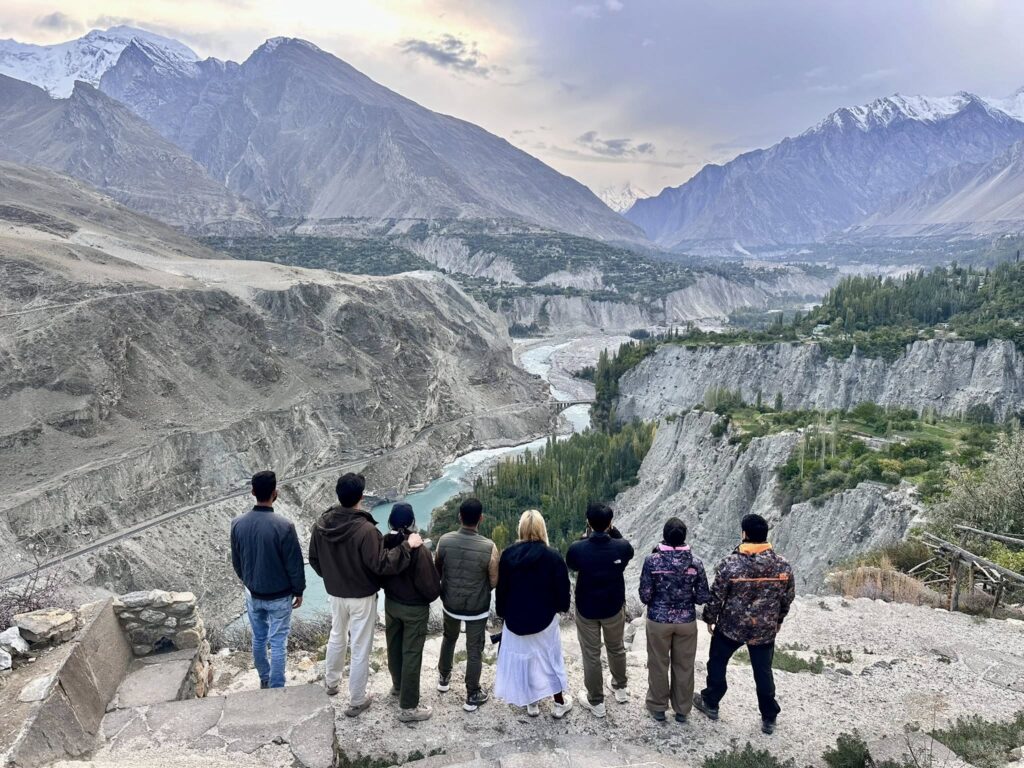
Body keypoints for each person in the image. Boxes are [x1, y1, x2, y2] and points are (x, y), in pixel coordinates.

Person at [308, 472, 423, 717]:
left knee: (337, 635)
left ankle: (331, 683)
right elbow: (382, 565)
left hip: (335, 593)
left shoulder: (321, 525)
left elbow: (314, 560)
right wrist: (406, 546)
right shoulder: (366, 530)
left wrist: (332, 578)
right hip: (361, 596)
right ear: (361, 496)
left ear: (338, 495)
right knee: (360, 646)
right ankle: (357, 699)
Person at [694, 513, 796, 735]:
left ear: (744, 534)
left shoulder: (730, 564)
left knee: (718, 663)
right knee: (763, 671)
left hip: (731, 627)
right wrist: (778, 620)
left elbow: (717, 596)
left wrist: (710, 618)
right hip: (764, 629)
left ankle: (711, 701)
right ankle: (769, 716)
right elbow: (787, 597)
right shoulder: (783, 566)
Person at [230, 470, 305, 690]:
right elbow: (294, 564)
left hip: (253, 593)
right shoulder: (284, 526)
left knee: (259, 638)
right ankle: (277, 685)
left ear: (253, 492)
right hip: (280, 596)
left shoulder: (237, 523)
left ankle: (264, 677)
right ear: (275, 493)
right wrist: (299, 590)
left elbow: (237, 561)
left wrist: (248, 581)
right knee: (278, 642)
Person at [494, 509, 573, 719]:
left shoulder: (508, 555)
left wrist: (503, 614)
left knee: (526, 660)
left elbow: (502, 589)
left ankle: (531, 702)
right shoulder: (553, 556)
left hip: (515, 620)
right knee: (550, 659)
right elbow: (562, 590)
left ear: (520, 529)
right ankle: (559, 703)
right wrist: (561, 608)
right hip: (544, 619)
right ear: (542, 529)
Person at [565, 502, 634, 718]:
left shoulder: (578, 548)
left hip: (587, 607)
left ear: (588, 522)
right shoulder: (621, 547)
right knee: (616, 647)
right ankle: (620, 688)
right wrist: (612, 530)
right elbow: (626, 549)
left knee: (591, 654)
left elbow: (572, 564)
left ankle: (596, 701)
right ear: (610, 523)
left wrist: (587, 537)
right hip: (613, 605)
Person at [639, 517, 710, 723]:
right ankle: (682, 710)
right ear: (684, 537)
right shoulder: (695, 563)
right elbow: (703, 596)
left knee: (658, 664)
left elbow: (645, 595)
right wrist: (687, 598)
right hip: (686, 621)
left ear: (664, 535)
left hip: (658, 620)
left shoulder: (652, 561)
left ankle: (658, 707)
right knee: (684, 666)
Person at [435, 497, 499, 712]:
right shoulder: (489, 547)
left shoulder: (444, 541)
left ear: (459, 517)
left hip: (450, 603)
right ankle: (472, 694)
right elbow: (494, 581)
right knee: (474, 649)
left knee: (449, 637)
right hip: (476, 607)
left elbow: (438, 569)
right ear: (481, 518)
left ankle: (444, 678)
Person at [381, 503, 441, 722]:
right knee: (412, 654)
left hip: (391, 604)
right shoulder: (418, 548)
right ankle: (408, 706)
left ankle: (397, 686)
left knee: (394, 646)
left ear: (391, 521)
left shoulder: (384, 543)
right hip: (414, 609)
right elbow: (430, 585)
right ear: (412, 522)